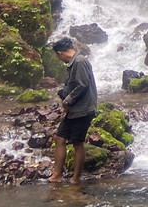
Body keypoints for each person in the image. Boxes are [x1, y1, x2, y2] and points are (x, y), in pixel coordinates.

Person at [48, 36, 97, 184]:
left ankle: (75, 178)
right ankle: (57, 175)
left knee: (77, 142)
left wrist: (67, 100)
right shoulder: (74, 62)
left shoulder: (80, 61)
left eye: (58, 57)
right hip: (75, 110)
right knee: (60, 138)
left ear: (59, 53)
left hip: (83, 109)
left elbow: (82, 85)